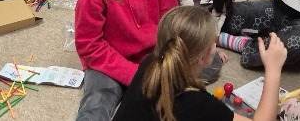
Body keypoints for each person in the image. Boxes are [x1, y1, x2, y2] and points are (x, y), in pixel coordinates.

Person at [113, 6, 288, 121]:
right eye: (214, 41)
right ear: (203, 57)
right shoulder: (197, 105)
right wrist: (273, 70)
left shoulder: (149, 62)